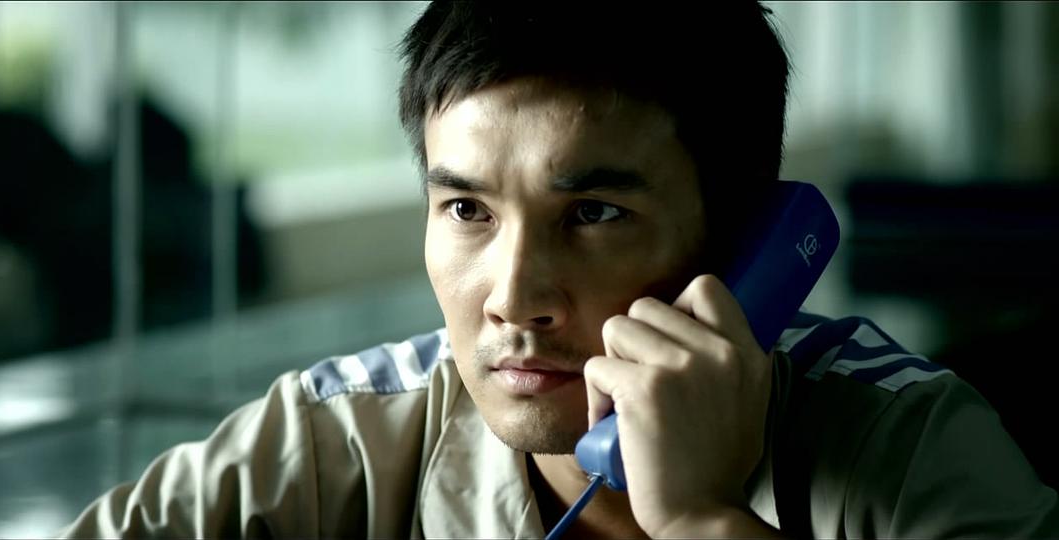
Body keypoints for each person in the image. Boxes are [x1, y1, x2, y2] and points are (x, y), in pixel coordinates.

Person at [61, 2, 1058, 538]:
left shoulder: (911, 452)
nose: (512, 298)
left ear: (741, 241)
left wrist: (700, 521)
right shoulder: (335, 446)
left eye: (592, 214)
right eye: (466, 210)